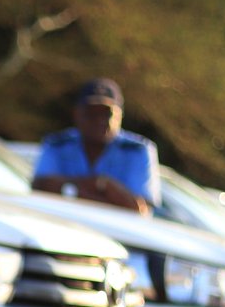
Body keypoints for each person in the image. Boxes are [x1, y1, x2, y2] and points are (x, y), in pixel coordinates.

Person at [32, 78, 161, 215]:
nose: (100, 120)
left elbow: (138, 210)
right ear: (77, 114)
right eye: (92, 113)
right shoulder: (57, 144)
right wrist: (103, 188)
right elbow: (40, 187)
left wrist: (70, 189)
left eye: (108, 113)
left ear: (120, 115)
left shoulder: (138, 150)